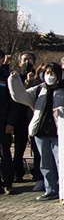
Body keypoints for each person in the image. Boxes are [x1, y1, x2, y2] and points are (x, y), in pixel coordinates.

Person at [8, 62, 64, 202]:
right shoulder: (38, 90)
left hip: (59, 133)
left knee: (61, 163)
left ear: (58, 75)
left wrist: (63, 111)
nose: (49, 76)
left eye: (52, 73)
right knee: (45, 164)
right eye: (47, 73)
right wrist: (14, 80)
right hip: (40, 133)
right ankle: (50, 190)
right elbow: (19, 96)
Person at [12, 52, 43, 189]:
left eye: (30, 59)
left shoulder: (39, 79)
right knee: (19, 148)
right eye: (24, 60)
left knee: (37, 149)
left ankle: (37, 173)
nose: (27, 62)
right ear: (19, 63)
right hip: (18, 118)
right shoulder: (15, 78)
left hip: (33, 117)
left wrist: (32, 80)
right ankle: (17, 172)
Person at [0, 50, 17, 195]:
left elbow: (13, 103)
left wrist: (10, 122)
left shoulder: (7, 77)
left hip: (4, 123)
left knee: (5, 154)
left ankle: (7, 183)